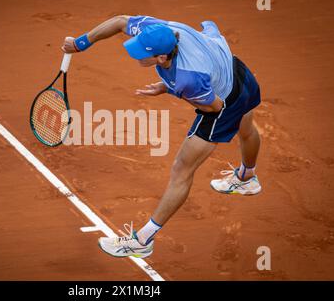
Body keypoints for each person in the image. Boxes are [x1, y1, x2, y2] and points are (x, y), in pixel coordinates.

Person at [61, 15, 262, 258]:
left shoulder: (189, 79)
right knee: (247, 128)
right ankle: (247, 177)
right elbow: (121, 21)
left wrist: (173, 88)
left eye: (141, 53)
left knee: (181, 169)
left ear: (161, 57)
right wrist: (81, 43)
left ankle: (143, 241)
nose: (135, 55)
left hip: (223, 99)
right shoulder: (161, 32)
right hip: (234, 68)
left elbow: (216, 107)